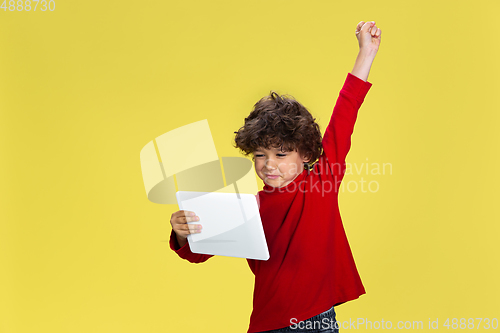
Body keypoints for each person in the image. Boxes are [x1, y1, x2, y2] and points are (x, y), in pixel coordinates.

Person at [169, 20, 381, 333]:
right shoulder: (247, 208)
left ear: (306, 154)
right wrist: (183, 233)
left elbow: (346, 111)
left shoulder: (322, 181)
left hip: (317, 322)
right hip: (267, 325)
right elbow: (196, 254)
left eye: (281, 154)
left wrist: (367, 52)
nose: (270, 164)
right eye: (260, 155)